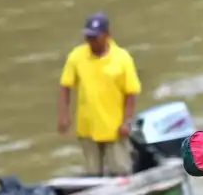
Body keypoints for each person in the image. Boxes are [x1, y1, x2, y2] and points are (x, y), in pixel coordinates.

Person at [58, 12, 142, 177]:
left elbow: (131, 93)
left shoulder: (122, 59)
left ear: (107, 35)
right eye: (88, 37)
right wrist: (64, 115)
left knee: (121, 172)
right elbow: (65, 86)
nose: (91, 41)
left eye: (95, 37)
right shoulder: (77, 57)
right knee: (92, 175)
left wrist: (127, 121)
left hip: (114, 128)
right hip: (87, 127)